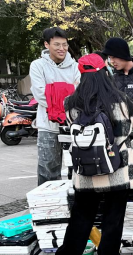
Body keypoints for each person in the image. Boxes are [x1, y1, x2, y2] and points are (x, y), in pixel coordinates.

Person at [50, 54, 133, 255]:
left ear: (81, 76)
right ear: (105, 73)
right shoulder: (121, 100)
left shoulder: (70, 103)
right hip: (117, 170)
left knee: (81, 216)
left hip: (85, 171)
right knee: (113, 217)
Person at [30, 27, 80, 185]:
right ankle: (46, 200)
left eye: (64, 44)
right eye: (57, 44)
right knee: (47, 170)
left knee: (79, 169)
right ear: (47, 44)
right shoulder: (37, 66)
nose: (62, 48)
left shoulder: (75, 66)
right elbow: (41, 95)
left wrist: (53, 90)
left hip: (73, 125)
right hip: (47, 125)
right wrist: (70, 89)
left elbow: (80, 94)